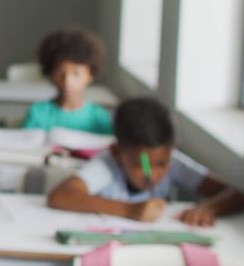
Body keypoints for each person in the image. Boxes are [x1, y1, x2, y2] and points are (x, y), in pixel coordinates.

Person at [48, 97, 244, 226]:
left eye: (160, 164)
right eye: (139, 164)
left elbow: (235, 193)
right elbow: (60, 196)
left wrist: (209, 207)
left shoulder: (174, 163)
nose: (151, 174)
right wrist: (128, 209)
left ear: (172, 151)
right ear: (117, 151)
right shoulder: (107, 165)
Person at [22, 27, 113, 134]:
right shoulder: (37, 113)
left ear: (90, 76)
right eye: (61, 73)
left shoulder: (99, 118)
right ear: (50, 73)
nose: (67, 81)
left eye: (76, 74)